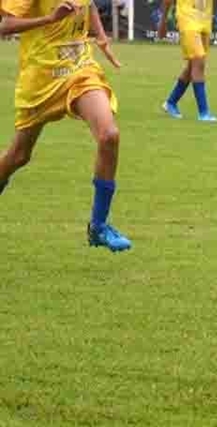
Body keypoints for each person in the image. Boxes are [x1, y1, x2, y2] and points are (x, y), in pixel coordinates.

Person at [0, 0, 131, 252]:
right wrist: (49, 19)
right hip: (41, 79)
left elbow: (89, 4)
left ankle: (99, 227)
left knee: (109, 136)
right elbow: (5, 25)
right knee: (18, 156)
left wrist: (101, 36)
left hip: (80, 69)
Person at [158, 0, 217, 122]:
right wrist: (163, 22)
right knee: (199, 60)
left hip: (204, 21)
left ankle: (171, 103)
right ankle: (204, 112)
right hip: (187, 20)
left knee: (193, 65)